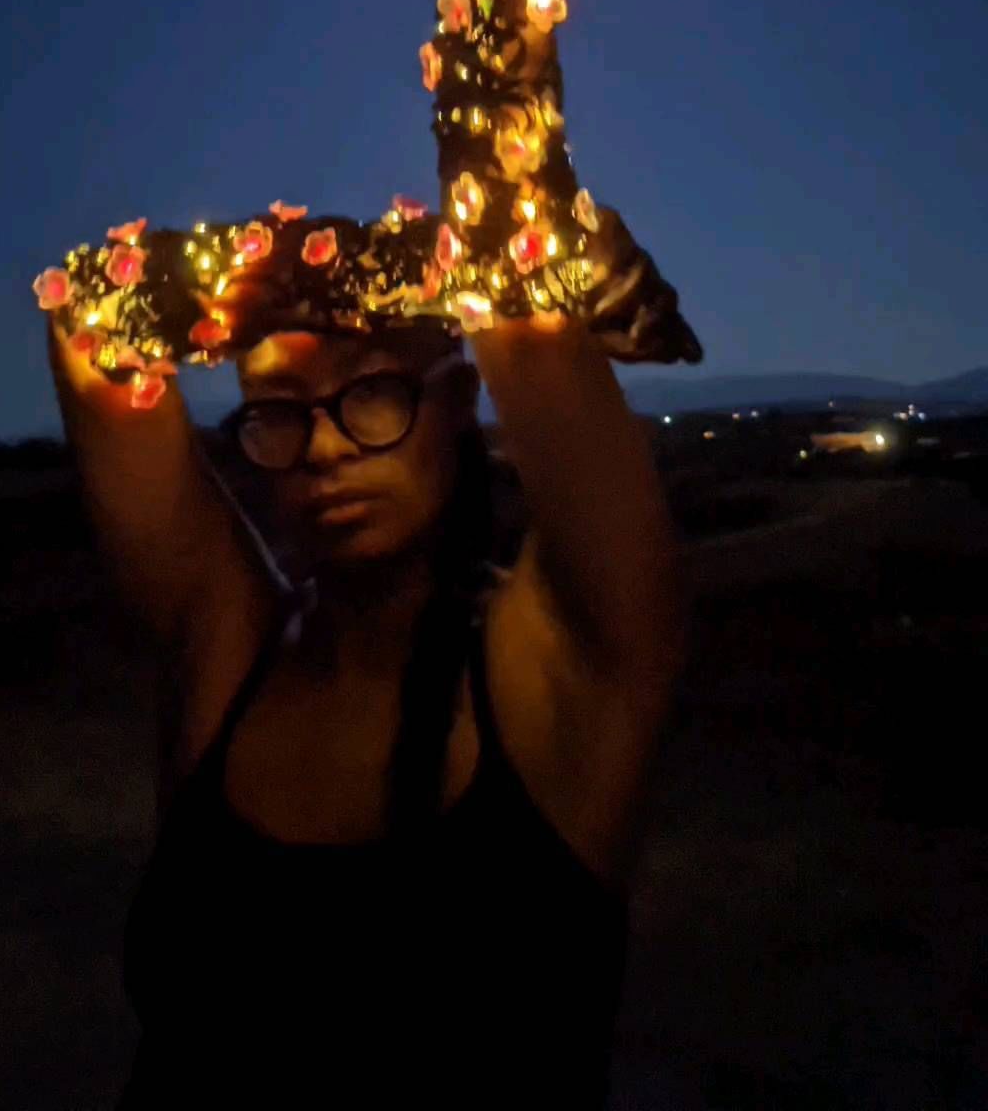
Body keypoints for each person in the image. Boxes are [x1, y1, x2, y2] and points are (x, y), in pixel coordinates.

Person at [48, 303, 688, 1109]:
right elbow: (92, 326)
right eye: (278, 410)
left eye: (374, 391)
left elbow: (534, 318)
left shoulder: (565, 669)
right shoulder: (227, 649)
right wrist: (247, 279)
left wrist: (374, 265)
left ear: (457, 402)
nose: (323, 447)